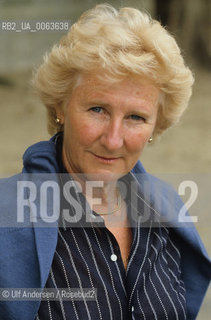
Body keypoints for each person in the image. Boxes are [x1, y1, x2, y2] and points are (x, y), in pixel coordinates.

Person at [0, 4, 210, 320]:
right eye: (98, 109)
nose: (113, 140)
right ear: (60, 105)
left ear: (157, 125)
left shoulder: (168, 209)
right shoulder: (8, 218)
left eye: (136, 117)